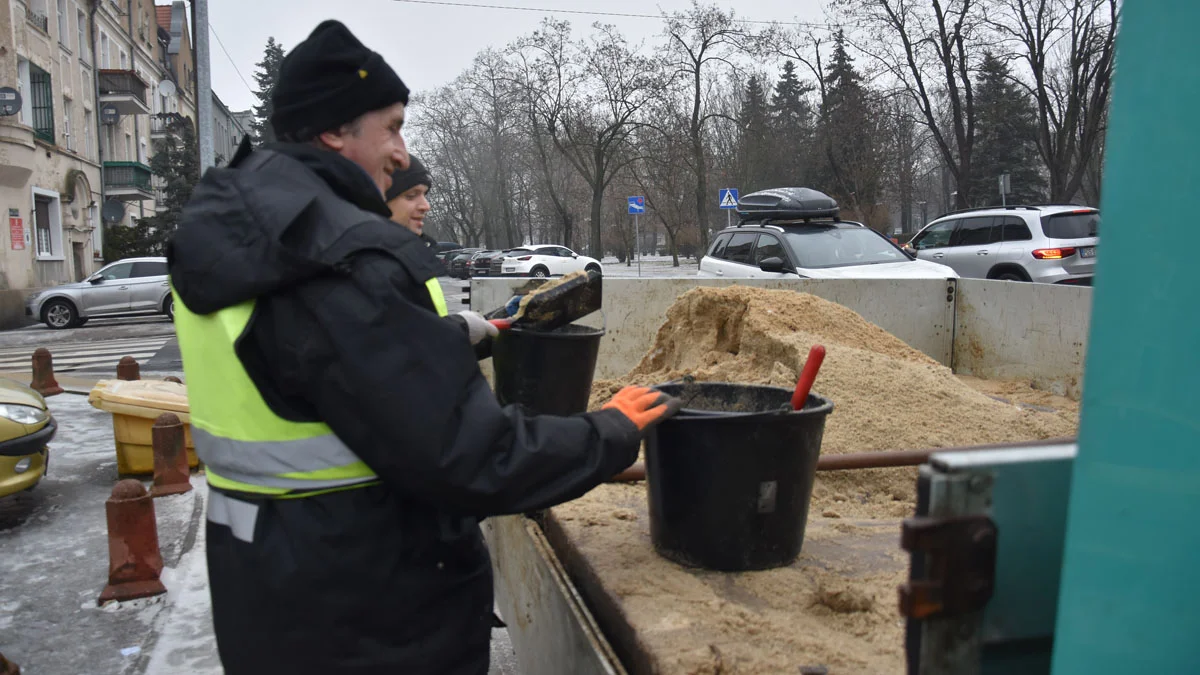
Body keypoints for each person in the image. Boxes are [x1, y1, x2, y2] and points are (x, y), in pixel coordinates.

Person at [166, 19, 680, 675]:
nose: (404, 153)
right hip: (374, 617)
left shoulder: (240, 231)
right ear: (334, 130)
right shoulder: (340, 256)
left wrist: (443, 337)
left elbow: (309, 365)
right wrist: (608, 432)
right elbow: (471, 455)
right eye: (393, 126)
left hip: (272, 589)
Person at [385, 154, 434, 243]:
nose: (426, 206)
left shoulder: (425, 251)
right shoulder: (362, 255)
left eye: (424, 195)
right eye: (411, 195)